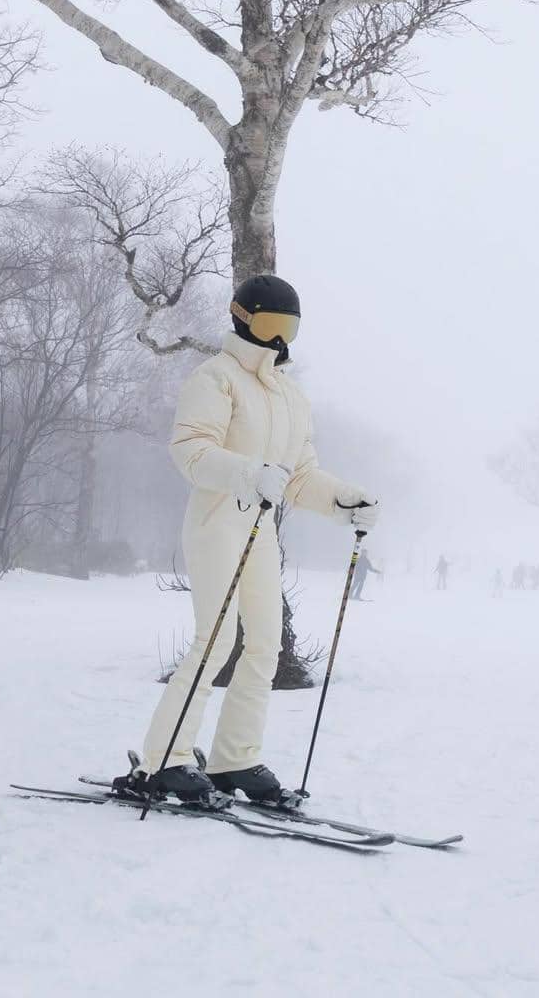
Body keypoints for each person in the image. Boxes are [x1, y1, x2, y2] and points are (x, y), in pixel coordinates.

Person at [122, 275, 379, 806]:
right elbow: (190, 450)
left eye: (289, 328)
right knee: (214, 641)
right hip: (217, 522)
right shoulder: (215, 378)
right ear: (243, 318)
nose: (279, 338)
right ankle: (164, 760)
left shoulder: (290, 397)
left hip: (260, 530)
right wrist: (247, 473)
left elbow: (300, 477)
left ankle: (234, 757)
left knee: (265, 641)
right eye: (270, 324)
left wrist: (344, 501)